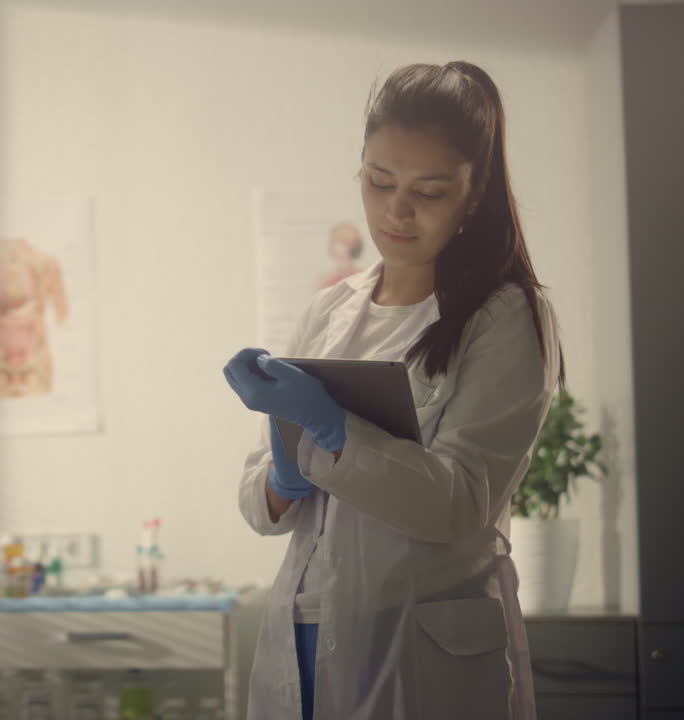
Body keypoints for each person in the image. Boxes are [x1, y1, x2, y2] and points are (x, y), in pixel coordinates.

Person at [223, 62, 563, 719]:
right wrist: (284, 476)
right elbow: (258, 505)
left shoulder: (505, 315)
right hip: (305, 627)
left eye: (428, 191)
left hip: (421, 644)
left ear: (474, 190)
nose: (395, 210)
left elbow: (461, 503)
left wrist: (331, 432)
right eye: (379, 182)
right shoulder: (331, 310)